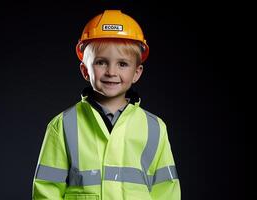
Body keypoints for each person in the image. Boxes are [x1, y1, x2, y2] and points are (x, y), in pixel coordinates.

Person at [32, 10, 180, 200]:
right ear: (85, 70)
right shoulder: (62, 125)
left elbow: (167, 191)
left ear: (137, 72)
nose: (111, 72)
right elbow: (46, 190)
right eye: (101, 62)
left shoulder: (155, 128)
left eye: (123, 64)